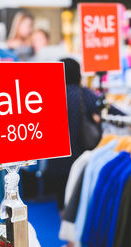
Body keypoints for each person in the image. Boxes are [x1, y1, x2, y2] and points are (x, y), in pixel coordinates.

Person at [42, 58, 100, 210]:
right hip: (79, 153)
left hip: (57, 157)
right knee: (80, 197)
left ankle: (63, 221)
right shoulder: (83, 93)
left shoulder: (49, 94)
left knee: (62, 196)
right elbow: (108, 109)